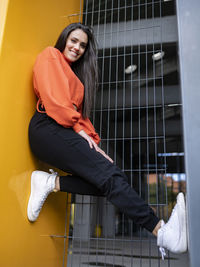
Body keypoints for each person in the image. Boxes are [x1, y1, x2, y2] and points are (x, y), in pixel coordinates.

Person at [27, 23, 187, 259]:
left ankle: (50, 183)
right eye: (73, 41)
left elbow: (80, 118)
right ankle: (161, 231)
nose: (77, 47)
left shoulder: (78, 81)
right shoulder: (50, 56)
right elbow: (55, 101)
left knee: (109, 178)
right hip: (46, 128)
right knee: (109, 177)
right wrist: (80, 134)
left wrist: (93, 142)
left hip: (63, 131)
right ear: (64, 39)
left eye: (82, 45)